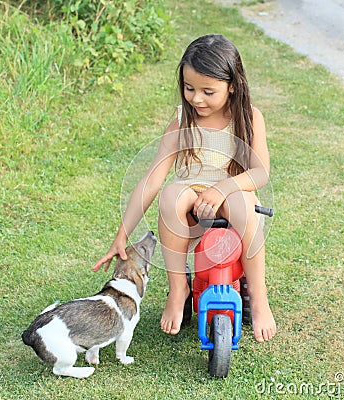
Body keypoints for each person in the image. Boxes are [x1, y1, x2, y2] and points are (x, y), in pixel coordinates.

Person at [93, 34, 276, 342]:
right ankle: (179, 289)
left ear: (232, 85)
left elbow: (260, 172)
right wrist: (122, 234)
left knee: (243, 204)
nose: (196, 99)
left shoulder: (249, 117)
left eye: (208, 91)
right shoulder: (182, 119)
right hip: (190, 206)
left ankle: (258, 298)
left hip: (234, 198)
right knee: (170, 192)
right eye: (189, 89)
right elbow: (152, 177)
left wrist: (222, 189)